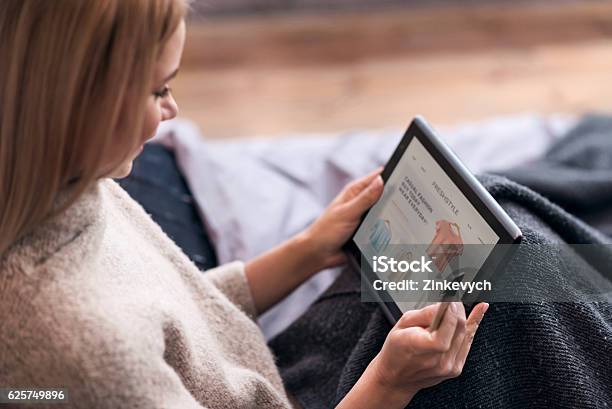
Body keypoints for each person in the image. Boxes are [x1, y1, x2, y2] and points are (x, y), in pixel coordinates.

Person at [0, 1, 489, 408]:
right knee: (516, 270)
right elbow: (124, 345)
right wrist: (391, 382)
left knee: (500, 208)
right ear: (79, 104)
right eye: (159, 89)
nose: (173, 112)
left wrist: (307, 250)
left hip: (275, 369)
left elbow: (175, 315)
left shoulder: (66, 184)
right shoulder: (90, 364)